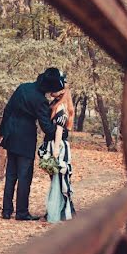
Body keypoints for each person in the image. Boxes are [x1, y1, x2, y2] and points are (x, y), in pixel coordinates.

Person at [0, 68, 63, 221]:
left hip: (11, 135)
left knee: (10, 176)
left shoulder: (22, 87)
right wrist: (61, 130)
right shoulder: (41, 100)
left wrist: (2, 132)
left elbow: (7, 110)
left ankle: (6, 211)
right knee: (24, 176)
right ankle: (21, 212)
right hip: (26, 138)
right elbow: (46, 127)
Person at [40, 84, 76, 223]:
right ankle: (58, 210)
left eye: (56, 88)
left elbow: (59, 131)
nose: (52, 90)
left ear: (62, 92)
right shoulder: (54, 105)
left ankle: (65, 211)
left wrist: (55, 152)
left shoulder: (61, 107)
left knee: (61, 179)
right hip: (53, 144)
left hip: (58, 146)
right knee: (56, 179)